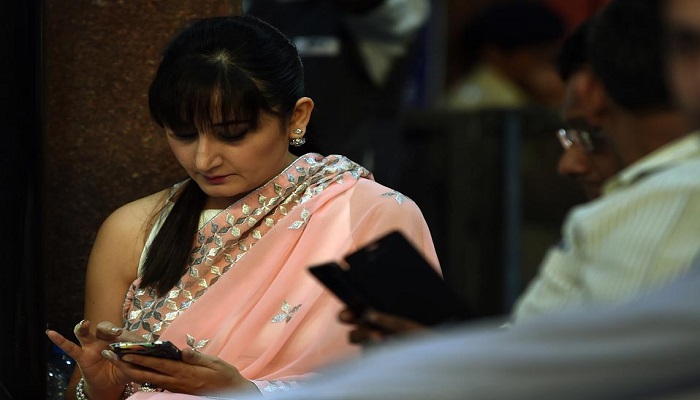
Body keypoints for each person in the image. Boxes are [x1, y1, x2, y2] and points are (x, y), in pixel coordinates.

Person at [45, 15, 439, 399]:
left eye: (232, 133)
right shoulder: (133, 229)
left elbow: (423, 380)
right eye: (183, 135)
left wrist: (246, 393)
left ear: (296, 117)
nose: (203, 159)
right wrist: (97, 385)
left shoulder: (371, 213)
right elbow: (91, 387)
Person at [512, 0, 700, 321]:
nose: (570, 164)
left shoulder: (640, 213)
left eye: (590, 135)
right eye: (685, 44)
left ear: (596, 97)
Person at [245, 0, 431, 187]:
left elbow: (400, 16)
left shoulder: (384, 13)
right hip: (267, 190)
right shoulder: (249, 10)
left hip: (353, 191)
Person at [442, 1, 566, 111]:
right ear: (494, 55)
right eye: (539, 56)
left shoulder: (517, 95)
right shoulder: (497, 101)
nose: (547, 68)